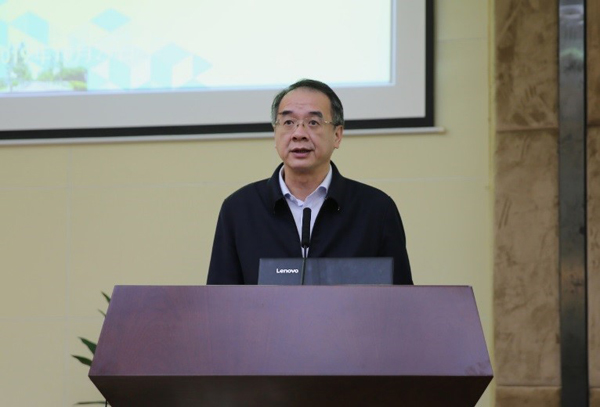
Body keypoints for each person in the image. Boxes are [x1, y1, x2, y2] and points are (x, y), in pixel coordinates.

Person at [207, 79, 412, 285]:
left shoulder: (376, 210)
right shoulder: (239, 209)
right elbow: (219, 299)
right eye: (288, 123)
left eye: (313, 123)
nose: (299, 134)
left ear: (337, 135)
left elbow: (401, 299)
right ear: (275, 133)